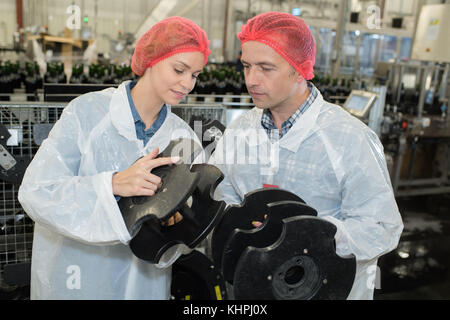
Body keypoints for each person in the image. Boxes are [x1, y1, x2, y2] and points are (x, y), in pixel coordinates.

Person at [208, 12, 403, 300]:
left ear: (299, 69)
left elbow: (382, 227)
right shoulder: (240, 129)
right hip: (254, 287)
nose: (252, 80)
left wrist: (312, 236)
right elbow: (223, 198)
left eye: (266, 68)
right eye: (247, 66)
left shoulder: (348, 138)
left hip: (324, 289)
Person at [18, 16, 211, 300]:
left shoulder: (183, 139)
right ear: (151, 60)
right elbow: (36, 192)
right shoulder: (86, 114)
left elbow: (180, 235)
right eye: (179, 69)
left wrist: (176, 221)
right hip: (77, 278)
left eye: (195, 75)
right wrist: (111, 185)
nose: (188, 84)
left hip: (144, 283)